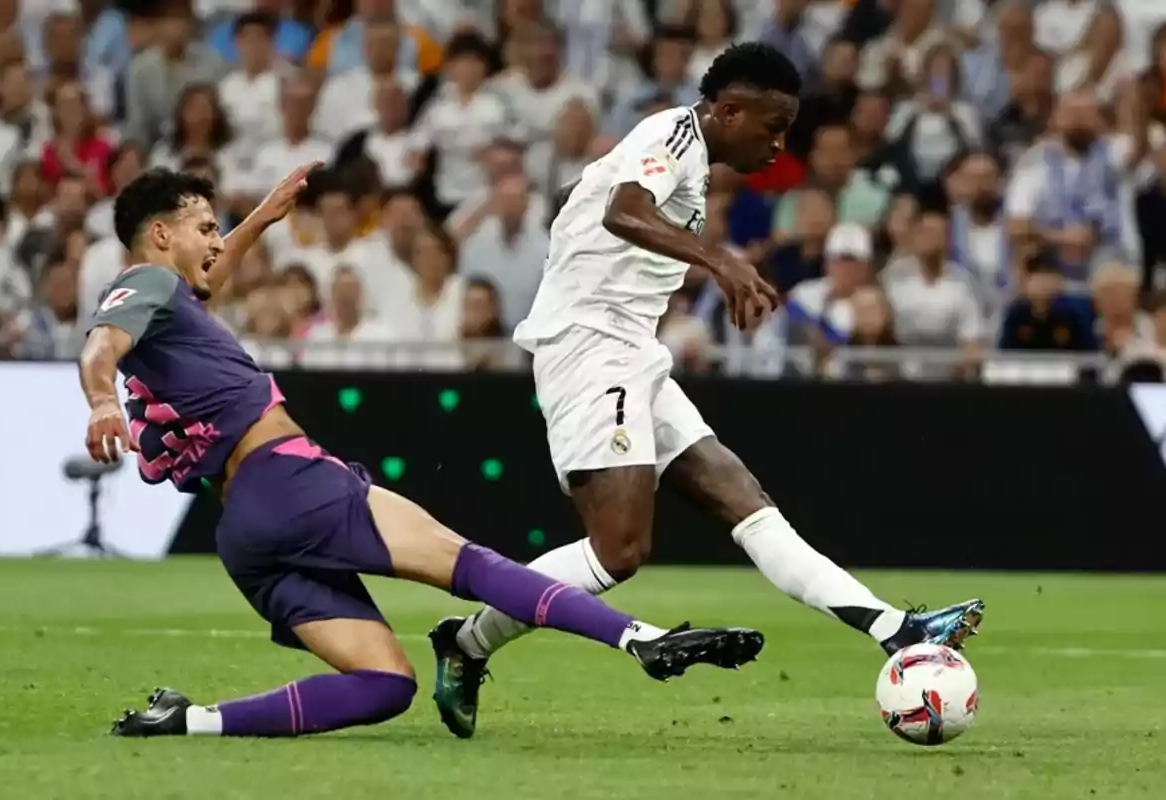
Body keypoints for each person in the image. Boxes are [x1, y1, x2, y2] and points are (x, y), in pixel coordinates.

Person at [83, 166, 765, 739]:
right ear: (161, 234)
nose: (215, 241)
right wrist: (102, 401)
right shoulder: (148, 284)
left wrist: (260, 218)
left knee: (385, 685)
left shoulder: (170, 304)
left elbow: (203, 280)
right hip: (292, 483)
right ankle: (636, 638)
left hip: (246, 534)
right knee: (471, 565)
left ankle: (190, 721)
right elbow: (99, 346)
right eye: (205, 227)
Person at [429, 43, 986, 739]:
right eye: (771, 126)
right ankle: (467, 640)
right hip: (590, 349)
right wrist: (721, 260)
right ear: (728, 110)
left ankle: (894, 628)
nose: (779, 145)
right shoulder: (670, 134)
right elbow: (621, 212)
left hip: (632, 350)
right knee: (617, 553)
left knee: (741, 496)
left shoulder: (685, 156)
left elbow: (602, 214)